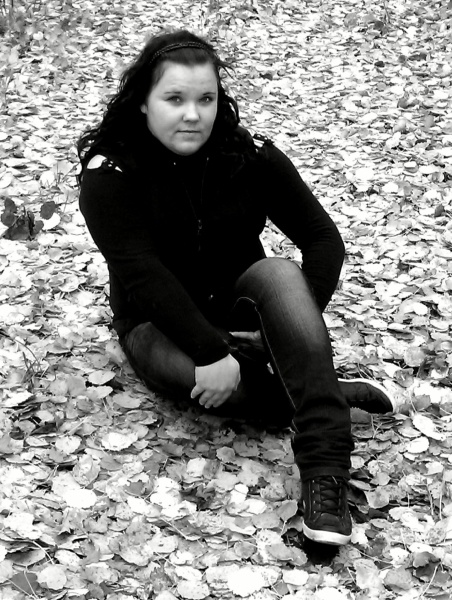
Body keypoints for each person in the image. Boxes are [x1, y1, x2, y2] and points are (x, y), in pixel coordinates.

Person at [77, 30, 394, 546]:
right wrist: (210, 351)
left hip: (242, 302)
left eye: (206, 99)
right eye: (174, 99)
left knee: (280, 273)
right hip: (157, 323)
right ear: (142, 102)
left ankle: (326, 472)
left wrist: (282, 330)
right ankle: (323, 390)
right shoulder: (110, 172)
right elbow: (140, 273)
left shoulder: (248, 155)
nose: (193, 115)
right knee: (226, 391)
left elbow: (322, 239)